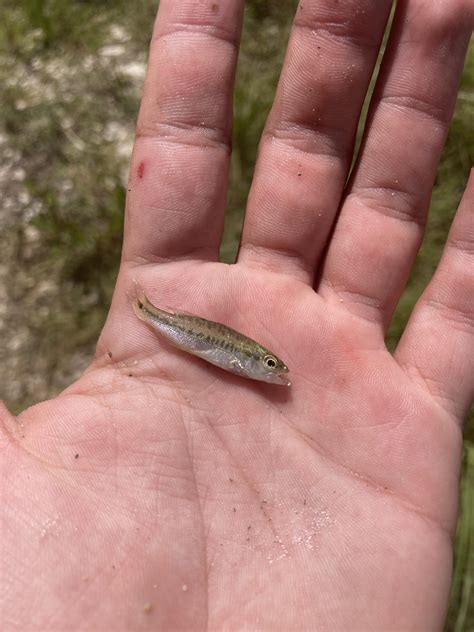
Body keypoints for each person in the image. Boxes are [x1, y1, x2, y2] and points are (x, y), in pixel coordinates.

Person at [1, 0, 473, 629]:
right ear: (257, 361)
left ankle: (151, 315)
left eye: (271, 365)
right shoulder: (246, 360)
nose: (275, 371)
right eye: (270, 364)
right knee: (180, 332)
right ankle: (151, 316)